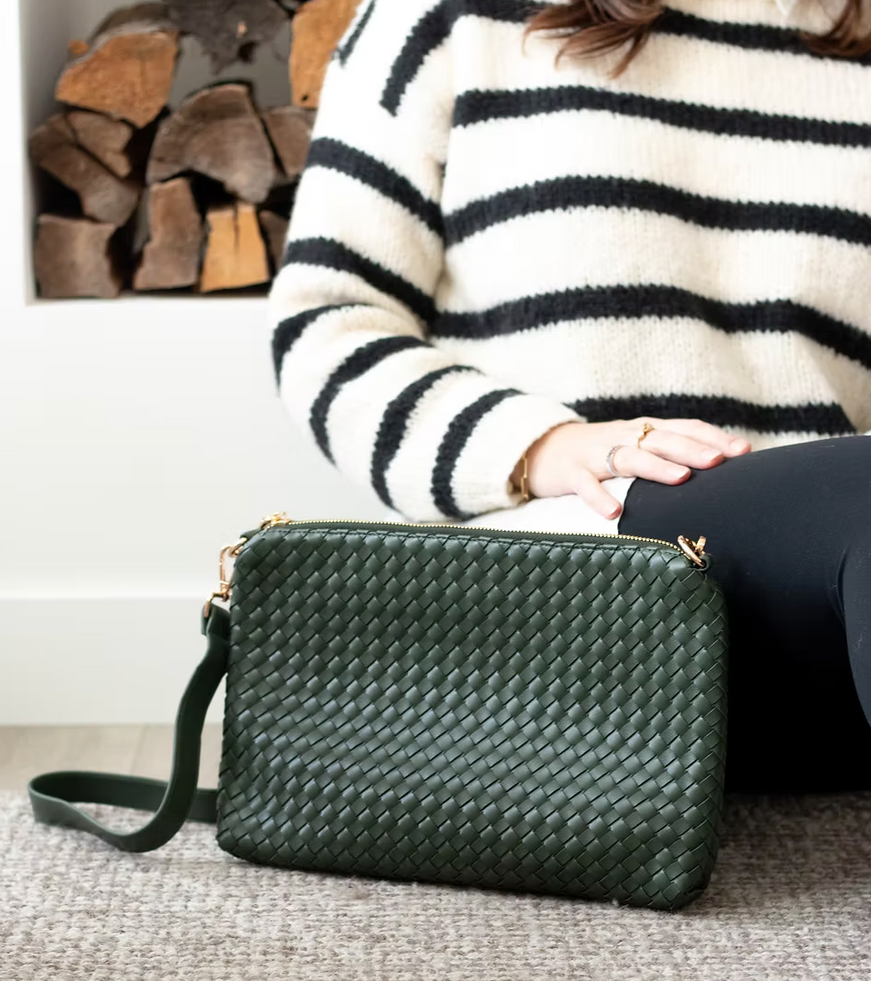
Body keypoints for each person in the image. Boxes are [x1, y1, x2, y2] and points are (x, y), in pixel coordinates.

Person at [267, 0, 871, 794]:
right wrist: (536, 447)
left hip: (821, 630)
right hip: (569, 603)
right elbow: (328, 326)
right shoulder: (446, 19)